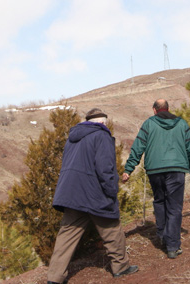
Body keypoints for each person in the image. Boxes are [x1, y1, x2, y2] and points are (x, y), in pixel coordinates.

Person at [47, 108, 138, 284]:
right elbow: (105, 168)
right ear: (103, 122)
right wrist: (112, 191)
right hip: (93, 192)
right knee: (112, 227)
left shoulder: (73, 138)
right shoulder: (102, 136)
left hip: (71, 192)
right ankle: (121, 267)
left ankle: (55, 277)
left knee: (66, 235)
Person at [122, 99, 190, 259]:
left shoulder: (148, 124)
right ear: (168, 109)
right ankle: (172, 245)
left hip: (155, 170)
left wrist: (129, 168)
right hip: (176, 169)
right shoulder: (181, 124)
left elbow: (138, 147)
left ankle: (163, 235)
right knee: (174, 206)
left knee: (159, 201)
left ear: (154, 110)